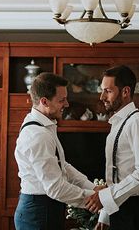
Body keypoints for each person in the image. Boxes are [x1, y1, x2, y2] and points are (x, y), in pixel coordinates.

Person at [14, 72, 98, 230]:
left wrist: (92, 188)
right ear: (44, 101)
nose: (67, 104)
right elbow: (55, 188)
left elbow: (62, 165)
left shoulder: (43, 126)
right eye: (62, 100)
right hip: (38, 214)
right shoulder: (38, 135)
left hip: (46, 209)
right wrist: (94, 198)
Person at [84, 65, 139, 230]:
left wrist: (106, 197)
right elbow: (116, 175)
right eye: (102, 90)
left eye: (108, 91)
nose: (102, 96)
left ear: (125, 92)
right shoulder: (118, 123)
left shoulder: (138, 122)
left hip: (138, 210)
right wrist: (106, 215)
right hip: (120, 209)